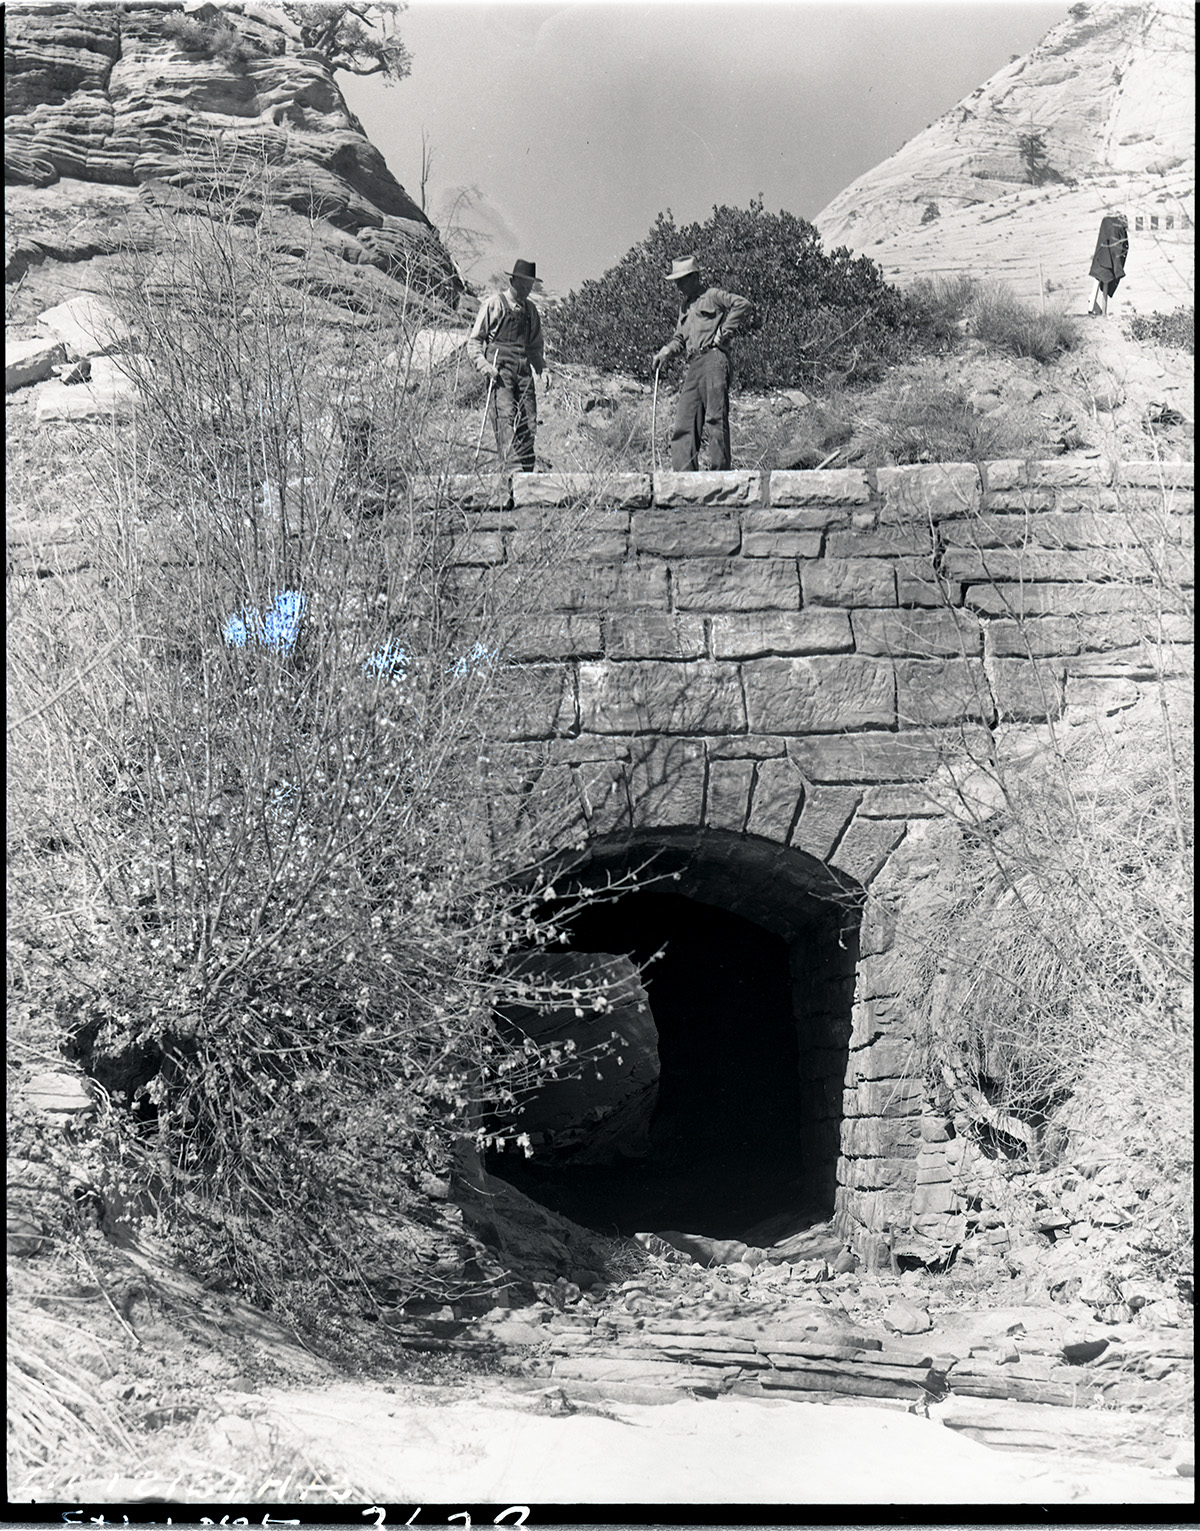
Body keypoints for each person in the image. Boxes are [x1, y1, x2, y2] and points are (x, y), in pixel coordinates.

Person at [651, 257, 753, 471]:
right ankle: (683, 477)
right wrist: (666, 350)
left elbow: (742, 304)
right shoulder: (685, 307)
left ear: (695, 277)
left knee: (715, 418)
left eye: (682, 280)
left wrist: (724, 332)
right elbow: (680, 338)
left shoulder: (712, 295)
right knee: (684, 423)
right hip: (694, 364)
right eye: (676, 281)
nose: (678, 286)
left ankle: (719, 474)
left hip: (714, 358)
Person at [468, 258, 550, 472]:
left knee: (529, 421)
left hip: (523, 371)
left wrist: (542, 369)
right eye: (521, 285)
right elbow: (475, 341)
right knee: (505, 417)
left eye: (529, 286)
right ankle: (512, 472)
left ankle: (527, 473)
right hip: (500, 370)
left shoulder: (531, 311)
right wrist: (483, 365)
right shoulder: (494, 304)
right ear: (512, 281)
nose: (524, 290)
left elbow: (534, 347)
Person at [1086, 212, 1129, 316]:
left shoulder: (1107, 223)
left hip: (1101, 258)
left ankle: (1094, 306)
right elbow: (1119, 249)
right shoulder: (1117, 229)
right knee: (1105, 282)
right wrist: (1118, 268)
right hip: (1109, 262)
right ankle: (1102, 312)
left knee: (1098, 281)